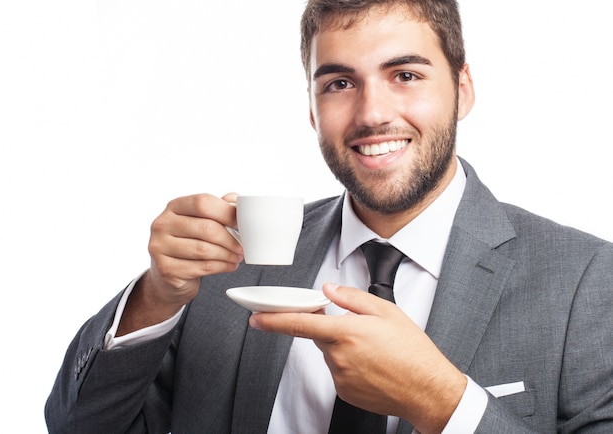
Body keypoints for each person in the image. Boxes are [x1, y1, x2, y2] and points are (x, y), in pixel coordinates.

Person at [45, 0, 613, 433]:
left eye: (406, 75)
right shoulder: (227, 268)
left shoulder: (587, 281)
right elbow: (78, 425)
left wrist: (443, 402)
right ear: (313, 111)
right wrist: (156, 296)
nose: (371, 113)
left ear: (462, 90)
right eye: (339, 83)